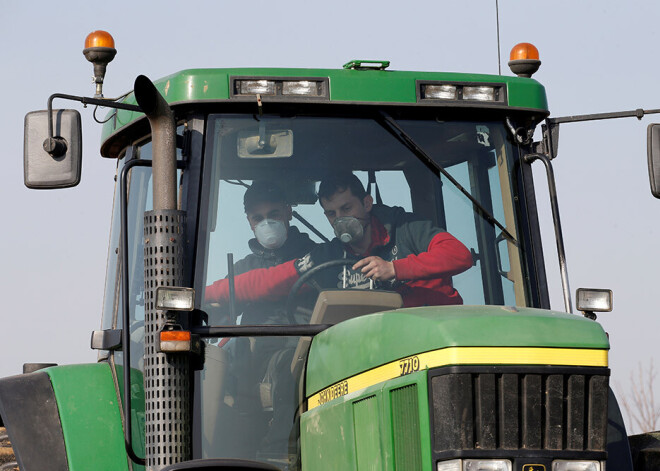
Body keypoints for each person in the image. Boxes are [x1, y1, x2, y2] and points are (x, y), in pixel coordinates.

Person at [206, 172, 473, 308]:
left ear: (367, 203)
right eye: (331, 214)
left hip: (437, 342)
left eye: (347, 209)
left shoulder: (406, 228)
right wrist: (203, 295)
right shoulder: (327, 258)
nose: (340, 219)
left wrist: (394, 269)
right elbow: (269, 280)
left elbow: (459, 255)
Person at [209, 180, 316, 458]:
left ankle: (280, 453)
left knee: (289, 366)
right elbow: (217, 306)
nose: (267, 223)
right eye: (258, 218)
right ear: (249, 221)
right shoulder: (244, 267)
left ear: (289, 212)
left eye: (274, 215)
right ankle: (224, 453)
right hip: (252, 354)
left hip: (302, 344)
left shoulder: (315, 257)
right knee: (219, 363)